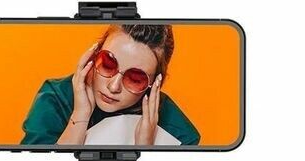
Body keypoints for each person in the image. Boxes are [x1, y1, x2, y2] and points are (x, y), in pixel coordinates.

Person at [20, 24, 200, 146]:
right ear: (94, 54)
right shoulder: (55, 98)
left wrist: (145, 149)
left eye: (135, 78)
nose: (114, 87)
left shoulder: (178, 133)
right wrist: (80, 116)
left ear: (155, 84)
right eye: (108, 63)